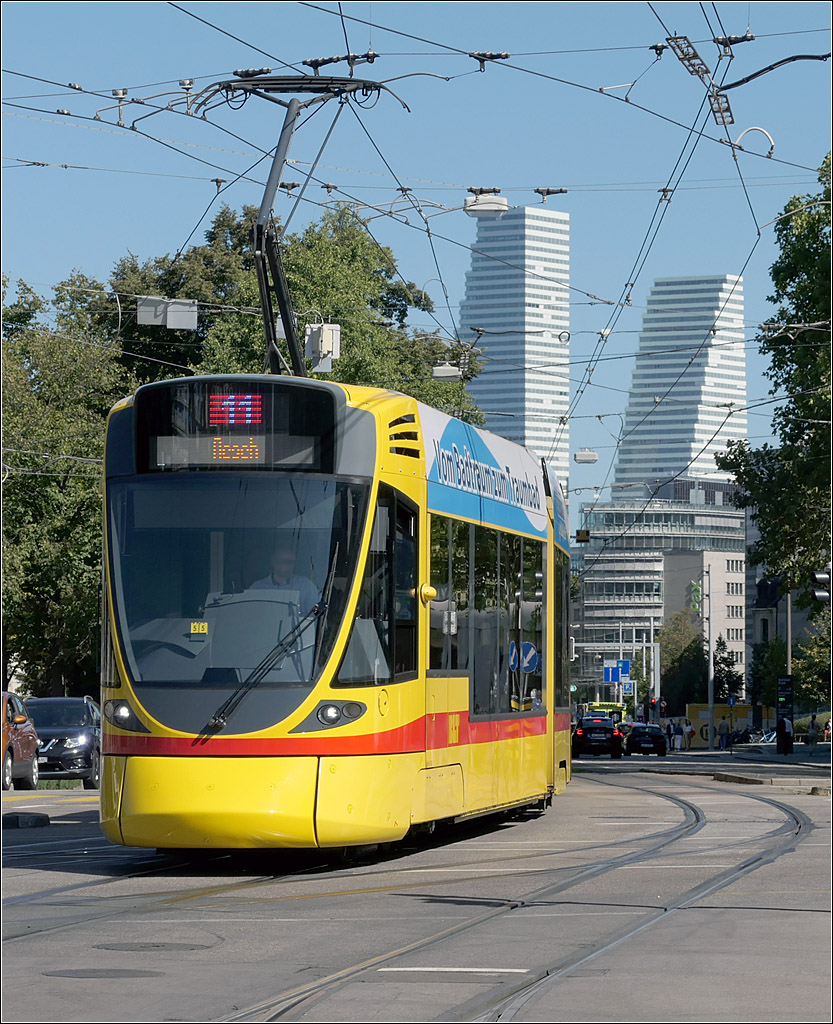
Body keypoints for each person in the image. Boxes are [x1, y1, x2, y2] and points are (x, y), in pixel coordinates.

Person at [250, 546, 320, 616]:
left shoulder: (306, 586)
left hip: (295, 627)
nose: (286, 565)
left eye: (290, 562)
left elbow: (315, 616)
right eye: (283, 561)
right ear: (273, 562)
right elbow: (249, 613)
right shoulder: (257, 587)